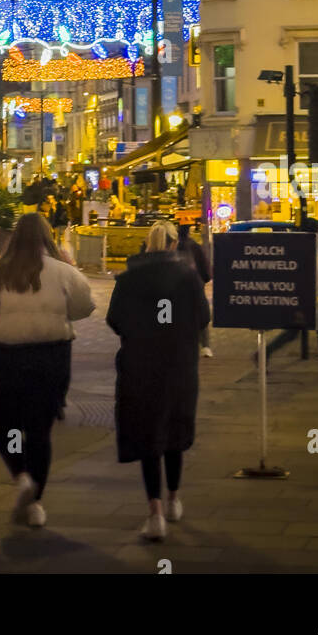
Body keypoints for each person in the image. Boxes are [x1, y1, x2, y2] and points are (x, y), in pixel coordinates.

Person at [0, 212, 95, 527]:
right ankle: (35, 503)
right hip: (52, 357)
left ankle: (20, 475)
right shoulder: (63, 272)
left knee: (8, 425)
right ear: (47, 237)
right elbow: (84, 306)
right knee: (40, 430)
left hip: (11, 358)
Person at [107, 221, 210, 542]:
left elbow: (114, 319)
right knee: (175, 431)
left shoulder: (128, 278)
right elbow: (203, 317)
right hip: (178, 365)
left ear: (147, 244)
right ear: (171, 245)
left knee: (149, 435)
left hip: (141, 366)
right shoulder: (187, 276)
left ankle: (155, 513)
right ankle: (174, 499)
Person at [260, 217, 318, 378]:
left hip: (307, 297)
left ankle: (264, 354)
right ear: (313, 231)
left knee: (293, 332)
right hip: (305, 299)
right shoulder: (306, 249)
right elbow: (303, 275)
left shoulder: (311, 247)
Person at [177, 223, 214, 357]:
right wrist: (204, 279)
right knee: (199, 314)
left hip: (174, 289)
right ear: (189, 232)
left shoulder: (171, 248)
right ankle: (205, 346)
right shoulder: (194, 246)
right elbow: (205, 271)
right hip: (194, 287)